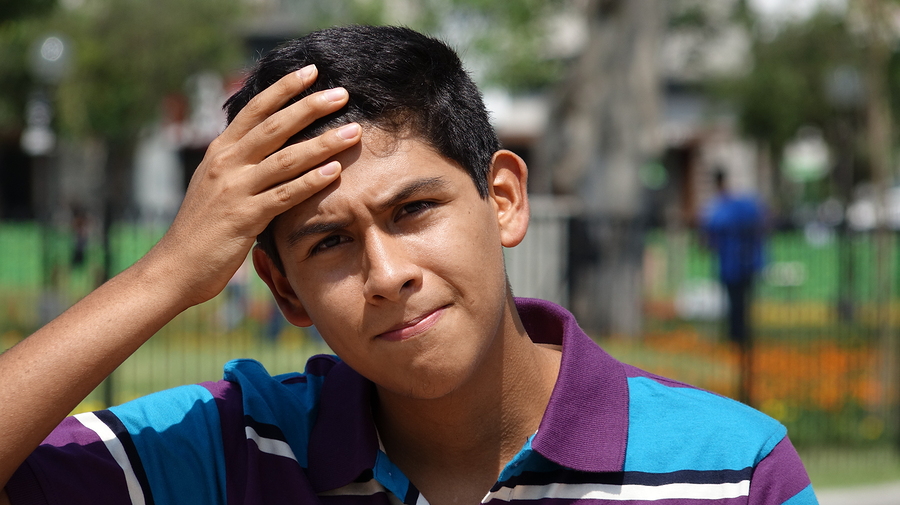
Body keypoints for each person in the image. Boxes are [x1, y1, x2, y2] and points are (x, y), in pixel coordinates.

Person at [1, 26, 815, 505]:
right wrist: (170, 273)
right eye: (328, 242)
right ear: (284, 288)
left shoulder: (729, 471)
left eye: (414, 210)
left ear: (503, 199)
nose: (387, 273)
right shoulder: (231, 452)